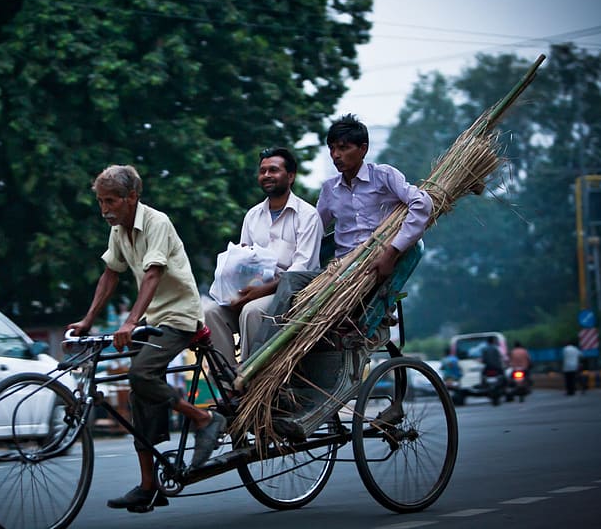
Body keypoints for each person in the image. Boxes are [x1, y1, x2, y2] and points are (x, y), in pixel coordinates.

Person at [68, 164, 226, 513]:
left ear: (132, 197)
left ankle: (202, 418)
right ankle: (149, 485)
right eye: (100, 202)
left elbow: (152, 274)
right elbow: (110, 275)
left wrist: (130, 320)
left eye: (111, 201)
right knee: (139, 391)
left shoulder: (157, 222)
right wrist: (87, 320)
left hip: (181, 316)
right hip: (154, 319)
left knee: (142, 374)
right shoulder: (119, 231)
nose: (104, 209)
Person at [254, 114, 433, 349]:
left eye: (343, 148)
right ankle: (267, 351)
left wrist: (391, 253)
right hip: (338, 272)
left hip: (372, 270)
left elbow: (422, 204)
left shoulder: (385, 176)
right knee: (290, 280)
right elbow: (313, 227)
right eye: (331, 149)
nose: (335, 155)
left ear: (363, 149)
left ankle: (261, 353)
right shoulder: (330, 189)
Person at [203, 147, 323, 369]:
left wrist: (257, 293)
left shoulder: (307, 216)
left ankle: (250, 378)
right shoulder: (253, 215)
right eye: (263, 171)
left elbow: (299, 271)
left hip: (291, 297)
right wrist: (236, 289)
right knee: (209, 311)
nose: (267, 175)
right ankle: (228, 382)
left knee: (252, 310)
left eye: (274, 170)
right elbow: (244, 260)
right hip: (252, 291)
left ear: (290, 176)